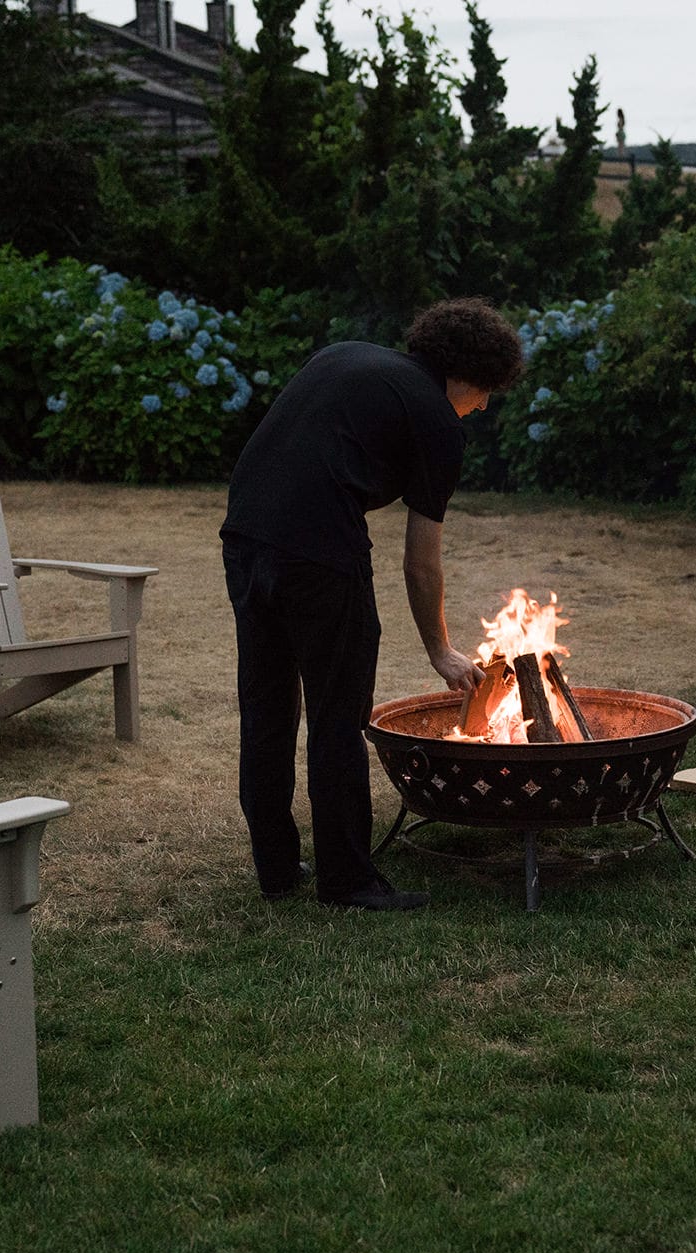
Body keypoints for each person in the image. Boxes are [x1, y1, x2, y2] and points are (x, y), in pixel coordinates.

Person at [220, 298, 524, 911]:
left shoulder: (346, 358)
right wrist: (439, 648)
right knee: (338, 715)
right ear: (466, 374)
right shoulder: (438, 420)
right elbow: (421, 559)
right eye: (487, 390)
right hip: (318, 553)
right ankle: (347, 880)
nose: (484, 404)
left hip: (245, 534)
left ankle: (276, 870)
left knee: (268, 706)